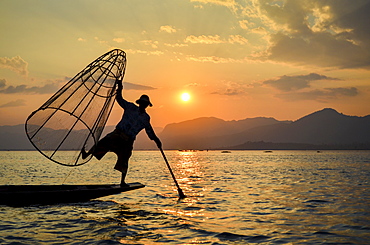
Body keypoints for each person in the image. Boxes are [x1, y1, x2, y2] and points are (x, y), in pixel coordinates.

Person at [81, 80, 162, 187]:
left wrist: (157, 140)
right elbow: (119, 99)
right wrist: (120, 87)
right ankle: (86, 154)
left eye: (145, 104)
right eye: (142, 103)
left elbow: (149, 131)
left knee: (125, 159)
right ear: (140, 103)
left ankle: (122, 182)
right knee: (103, 143)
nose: (144, 105)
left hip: (128, 141)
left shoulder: (145, 118)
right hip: (118, 134)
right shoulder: (130, 107)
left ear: (147, 105)